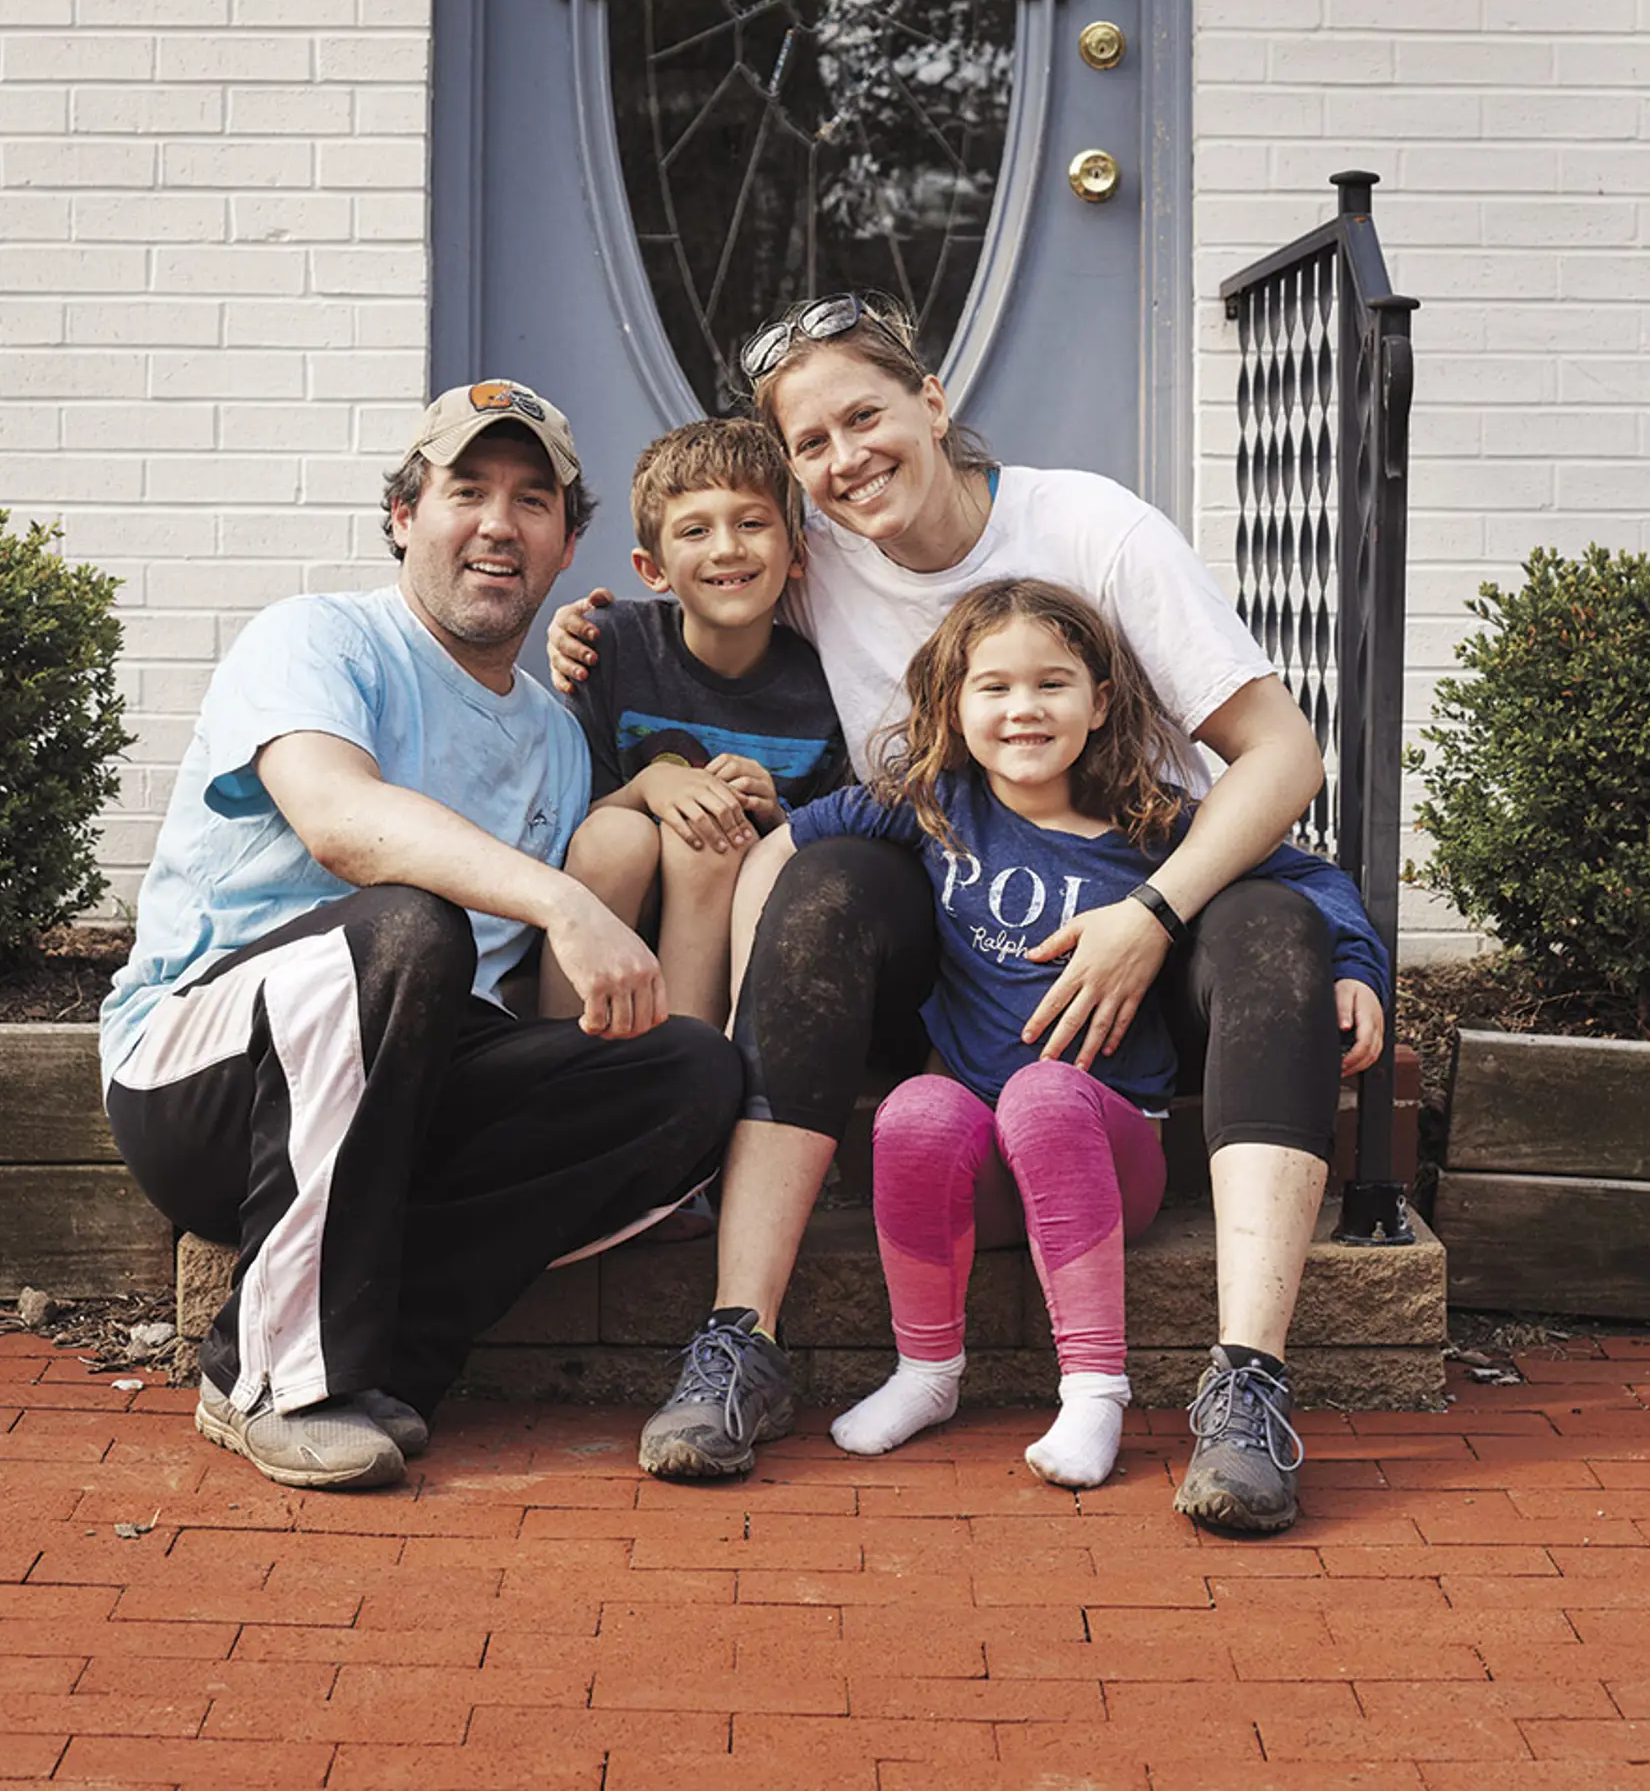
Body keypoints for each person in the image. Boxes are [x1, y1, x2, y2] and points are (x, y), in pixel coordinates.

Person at [549, 296, 1384, 1533]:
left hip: (1163, 905)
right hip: (966, 937)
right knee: (825, 884)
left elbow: (1283, 758)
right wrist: (598, 635)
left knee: (1273, 931)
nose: (846, 459)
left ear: (933, 403)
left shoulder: (1093, 530)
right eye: (811, 444)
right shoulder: (822, 553)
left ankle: (1247, 1387)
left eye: (865, 417)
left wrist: (1156, 913)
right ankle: (740, 1339)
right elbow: (712, 585)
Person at [100, 378, 742, 1495]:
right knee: (409, 927)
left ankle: (390, 1357)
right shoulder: (317, 637)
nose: (499, 523)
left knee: (688, 1072)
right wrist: (564, 902)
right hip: (205, 1081)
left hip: (403, 1097)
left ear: (567, 544)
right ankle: (269, 1377)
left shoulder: (555, 738)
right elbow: (341, 823)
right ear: (404, 516)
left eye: (532, 501)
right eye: (467, 491)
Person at [783, 578, 1384, 1493]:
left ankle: (1096, 1390)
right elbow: (789, 845)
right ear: (952, 704)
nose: (1023, 708)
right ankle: (926, 1372)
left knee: (1045, 1093)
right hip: (980, 1170)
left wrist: (1355, 969)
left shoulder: (1152, 828)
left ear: (1100, 703)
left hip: (1109, 1153)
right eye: (994, 687)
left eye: (1051, 684)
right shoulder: (933, 808)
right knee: (913, 1109)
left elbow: (1312, 879)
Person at [544, 417, 844, 1025]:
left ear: (796, 551)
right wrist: (649, 785)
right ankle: (556, 1054)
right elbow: (568, 821)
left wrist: (772, 816)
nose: (727, 548)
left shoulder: (824, 687)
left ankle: (688, 1059)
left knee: (711, 835)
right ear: (652, 568)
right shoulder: (609, 645)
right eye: (695, 531)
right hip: (614, 895)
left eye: (751, 523)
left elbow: (828, 854)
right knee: (616, 834)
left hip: (728, 923)